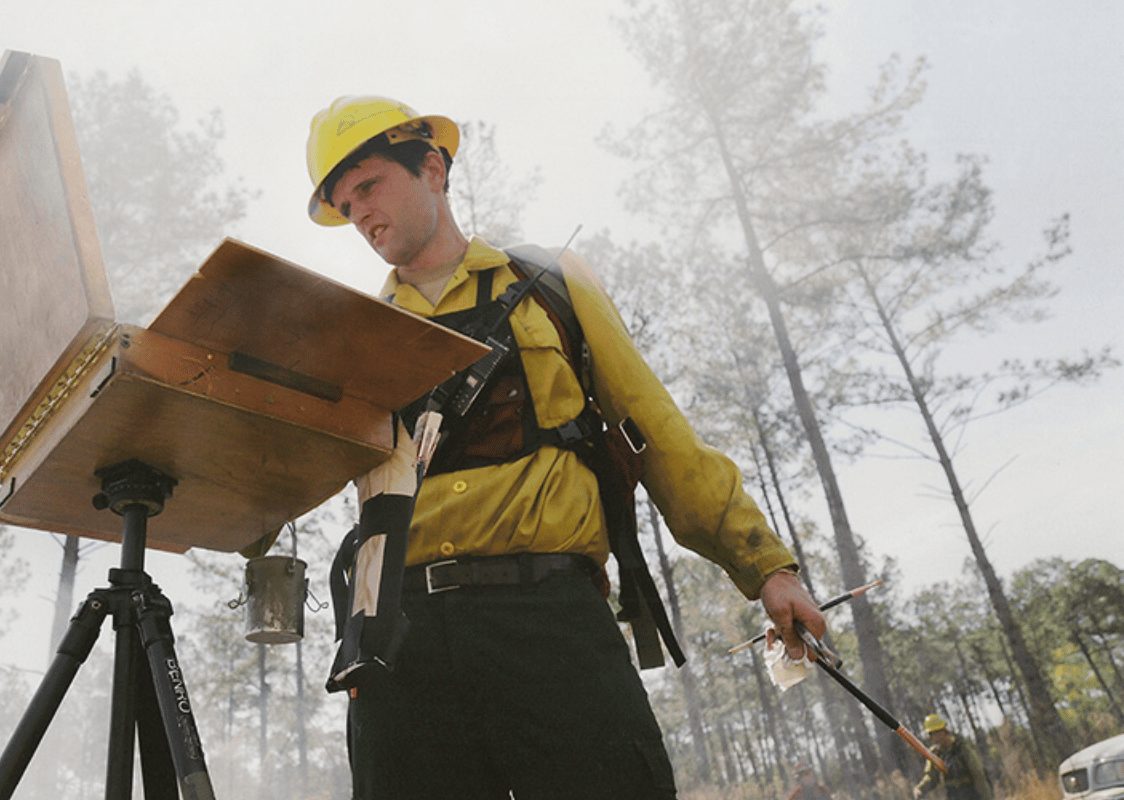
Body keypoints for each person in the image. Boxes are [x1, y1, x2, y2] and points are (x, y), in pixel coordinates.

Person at [306, 95, 826, 800]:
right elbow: (282, 476)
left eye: (368, 185)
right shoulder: (351, 338)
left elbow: (660, 432)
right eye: (344, 203)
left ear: (432, 167)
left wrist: (765, 566)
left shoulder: (550, 284)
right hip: (400, 647)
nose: (360, 214)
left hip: (549, 619)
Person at [912, 714, 993, 800]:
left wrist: (986, 797)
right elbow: (931, 777)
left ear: (942, 731)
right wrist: (920, 788)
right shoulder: (934, 754)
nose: (932, 738)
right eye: (930, 734)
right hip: (952, 795)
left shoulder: (961, 747)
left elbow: (978, 775)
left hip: (971, 793)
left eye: (933, 733)